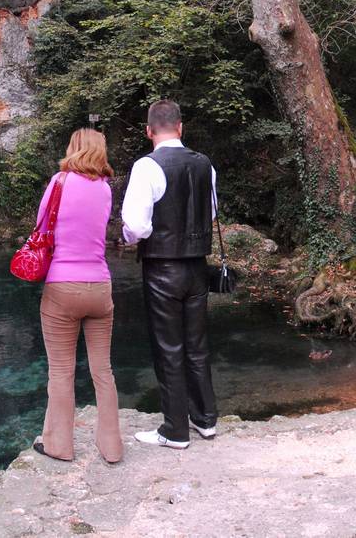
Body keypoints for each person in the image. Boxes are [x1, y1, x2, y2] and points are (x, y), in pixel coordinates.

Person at [121, 100, 220, 450]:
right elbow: (211, 212)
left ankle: (175, 430)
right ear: (180, 127)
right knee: (197, 345)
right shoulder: (205, 164)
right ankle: (205, 419)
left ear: (149, 131)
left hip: (162, 266)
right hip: (198, 265)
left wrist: (130, 238)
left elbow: (136, 225)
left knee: (169, 348)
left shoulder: (146, 166)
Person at [30, 128, 122, 464]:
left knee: (61, 372)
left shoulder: (60, 182)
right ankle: (112, 447)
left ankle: (59, 445)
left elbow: (42, 227)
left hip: (63, 286)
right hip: (100, 287)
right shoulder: (106, 189)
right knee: (103, 370)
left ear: (74, 148)